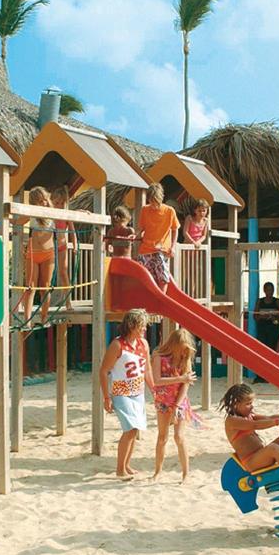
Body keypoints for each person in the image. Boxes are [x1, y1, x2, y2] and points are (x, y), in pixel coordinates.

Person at [100, 309, 157, 480]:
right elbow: (103, 371)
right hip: (121, 392)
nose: (144, 329)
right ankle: (119, 469)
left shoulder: (143, 344)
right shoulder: (117, 345)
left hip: (138, 392)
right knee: (130, 429)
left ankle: (126, 465)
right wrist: (106, 397)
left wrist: (154, 390)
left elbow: (147, 369)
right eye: (141, 326)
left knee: (135, 429)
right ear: (131, 325)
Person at [151, 329, 200, 483]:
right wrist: (181, 378)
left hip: (179, 402)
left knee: (179, 437)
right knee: (162, 437)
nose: (184, 351)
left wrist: (178, 405)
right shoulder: (159, 357)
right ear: (174, 344)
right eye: (182, 347)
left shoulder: (185, 358)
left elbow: (186, 385)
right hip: (163, 401)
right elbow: (157, 381)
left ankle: (186, 474)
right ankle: (157, 472)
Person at [17, 186, 56, 325]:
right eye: (40, 201)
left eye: (45, 200)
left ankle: (44, 317)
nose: (44, 203)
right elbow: (17, 221)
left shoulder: (53, 213)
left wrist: (84, 212)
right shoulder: (31, 213)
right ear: (34, 203)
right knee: (30, 287)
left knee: (45, 287)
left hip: (48, 254)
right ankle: (27, 320)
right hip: (33, 254)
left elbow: (69, 213)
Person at [136, 182, 179, 290]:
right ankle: (149, 302)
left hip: (161, 249)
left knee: (163, 278)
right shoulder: (145, 210)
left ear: (160, 198)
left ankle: (160, 301)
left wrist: (173, 247)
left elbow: (175, 229)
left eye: (156, 201)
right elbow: (141, 228)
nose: (153, 205)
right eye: (151, 201)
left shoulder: (169, 211)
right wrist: (135, 235)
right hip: (146, 249)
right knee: (145, 278)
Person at [51, 186, 76, 310]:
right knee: (49, 274)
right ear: (52, 202)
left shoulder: (66, 215)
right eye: (57, 203)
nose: (59, 206)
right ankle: (48, 300)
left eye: (62, 203)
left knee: (63, 273)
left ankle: (68, 302)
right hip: (50, 247)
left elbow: (72, 231)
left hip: (62, 246)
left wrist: (75, 245)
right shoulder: (49, 215)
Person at [253, 282, 279, 369]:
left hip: (273, 328)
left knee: (272, 348)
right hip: (262, 328)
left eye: (272, 290)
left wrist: (274, 317)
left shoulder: (277, 302)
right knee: (262, 349)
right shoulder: (260, 301)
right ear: (264, 291)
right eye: (268, 290)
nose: (270, 292)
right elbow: (255, 316)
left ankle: (271, 369)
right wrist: (263, 316)